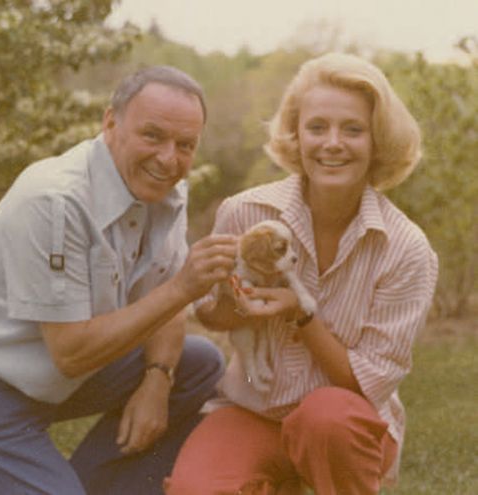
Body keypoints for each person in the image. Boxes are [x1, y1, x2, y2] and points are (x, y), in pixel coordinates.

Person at [0, 65, 238, 494]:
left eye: (185, 145)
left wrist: (157, 379)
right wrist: (183, 288)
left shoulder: (164, 191)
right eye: (153, 136)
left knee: (198, 363)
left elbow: (164, 305)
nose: (168, 159)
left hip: (54, 377)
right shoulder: (55, 200)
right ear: (110, 123)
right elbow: (72, 352)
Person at [165, 53, 439, 495]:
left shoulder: (406, 249)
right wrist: (235, 303)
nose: (332, 143)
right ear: (296, 135)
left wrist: (301, 315)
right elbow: (212, 317)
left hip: (344, 428)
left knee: (325, 418)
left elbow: (368, 385)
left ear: (378, 141)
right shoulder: (244, 211)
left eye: (353, 129)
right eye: (317, 127)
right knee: (194, 489)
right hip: (255, 410)